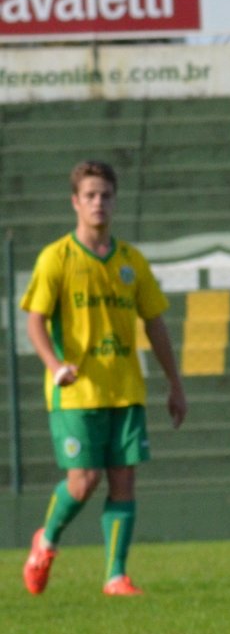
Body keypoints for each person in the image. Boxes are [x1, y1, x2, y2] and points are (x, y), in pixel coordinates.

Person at [20, 159, 187, 598]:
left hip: (125, 388)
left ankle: (115, 576)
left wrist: (175, 384)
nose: (99, 202)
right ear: (75, 202)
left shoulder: (131, 261)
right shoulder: (56, 258)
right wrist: (56, 367)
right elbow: (35, 322)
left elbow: (156, 323)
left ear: (116, 200)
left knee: (124, 480)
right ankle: (47, 541)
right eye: (90, 195)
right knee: (84, 480)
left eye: (106, 195)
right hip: (76, 392)